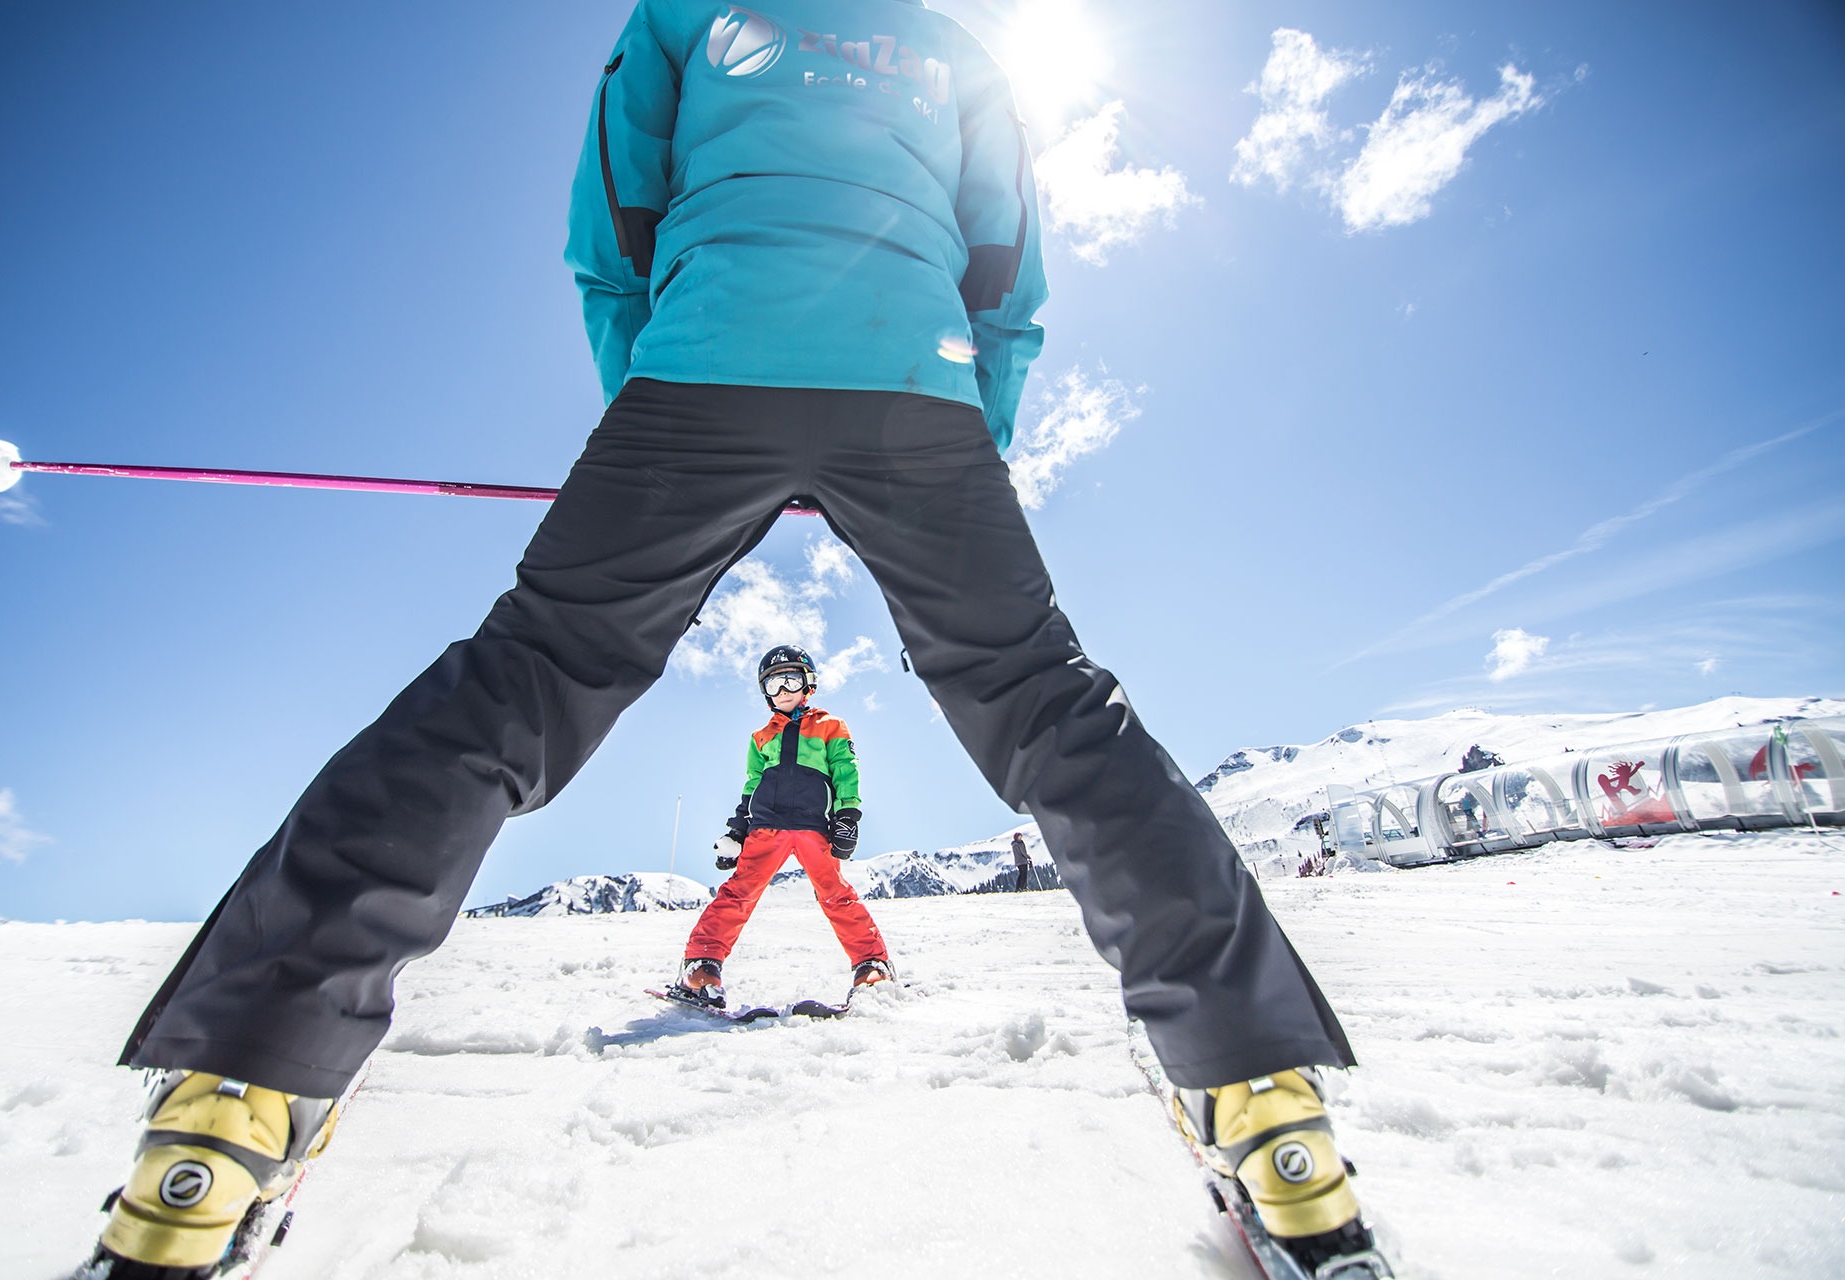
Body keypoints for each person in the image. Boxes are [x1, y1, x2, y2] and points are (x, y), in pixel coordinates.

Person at [85, 1, 1374, 1275]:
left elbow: (612, 236)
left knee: (524, 676)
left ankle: (230, 1108)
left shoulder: (684, 17)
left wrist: (667, 423)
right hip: (913, 382)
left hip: (702, 371)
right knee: (1044, 700)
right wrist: (964, 436)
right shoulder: (955, 49)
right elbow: (1008, 281)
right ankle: (1268, 1110)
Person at [671, 645, 893, 1007]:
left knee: (835, 893)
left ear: (809, 684)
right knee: (739, 892)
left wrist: (848, 815)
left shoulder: (830, 726)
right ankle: (702, 964)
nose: (783, 690)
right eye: (773, 684)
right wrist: (736, 832)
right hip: (765, 827)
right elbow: (751, 785)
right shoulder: (761, 737)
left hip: (812, 827)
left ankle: (871, 963)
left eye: (791, 679)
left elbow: (845, 772)